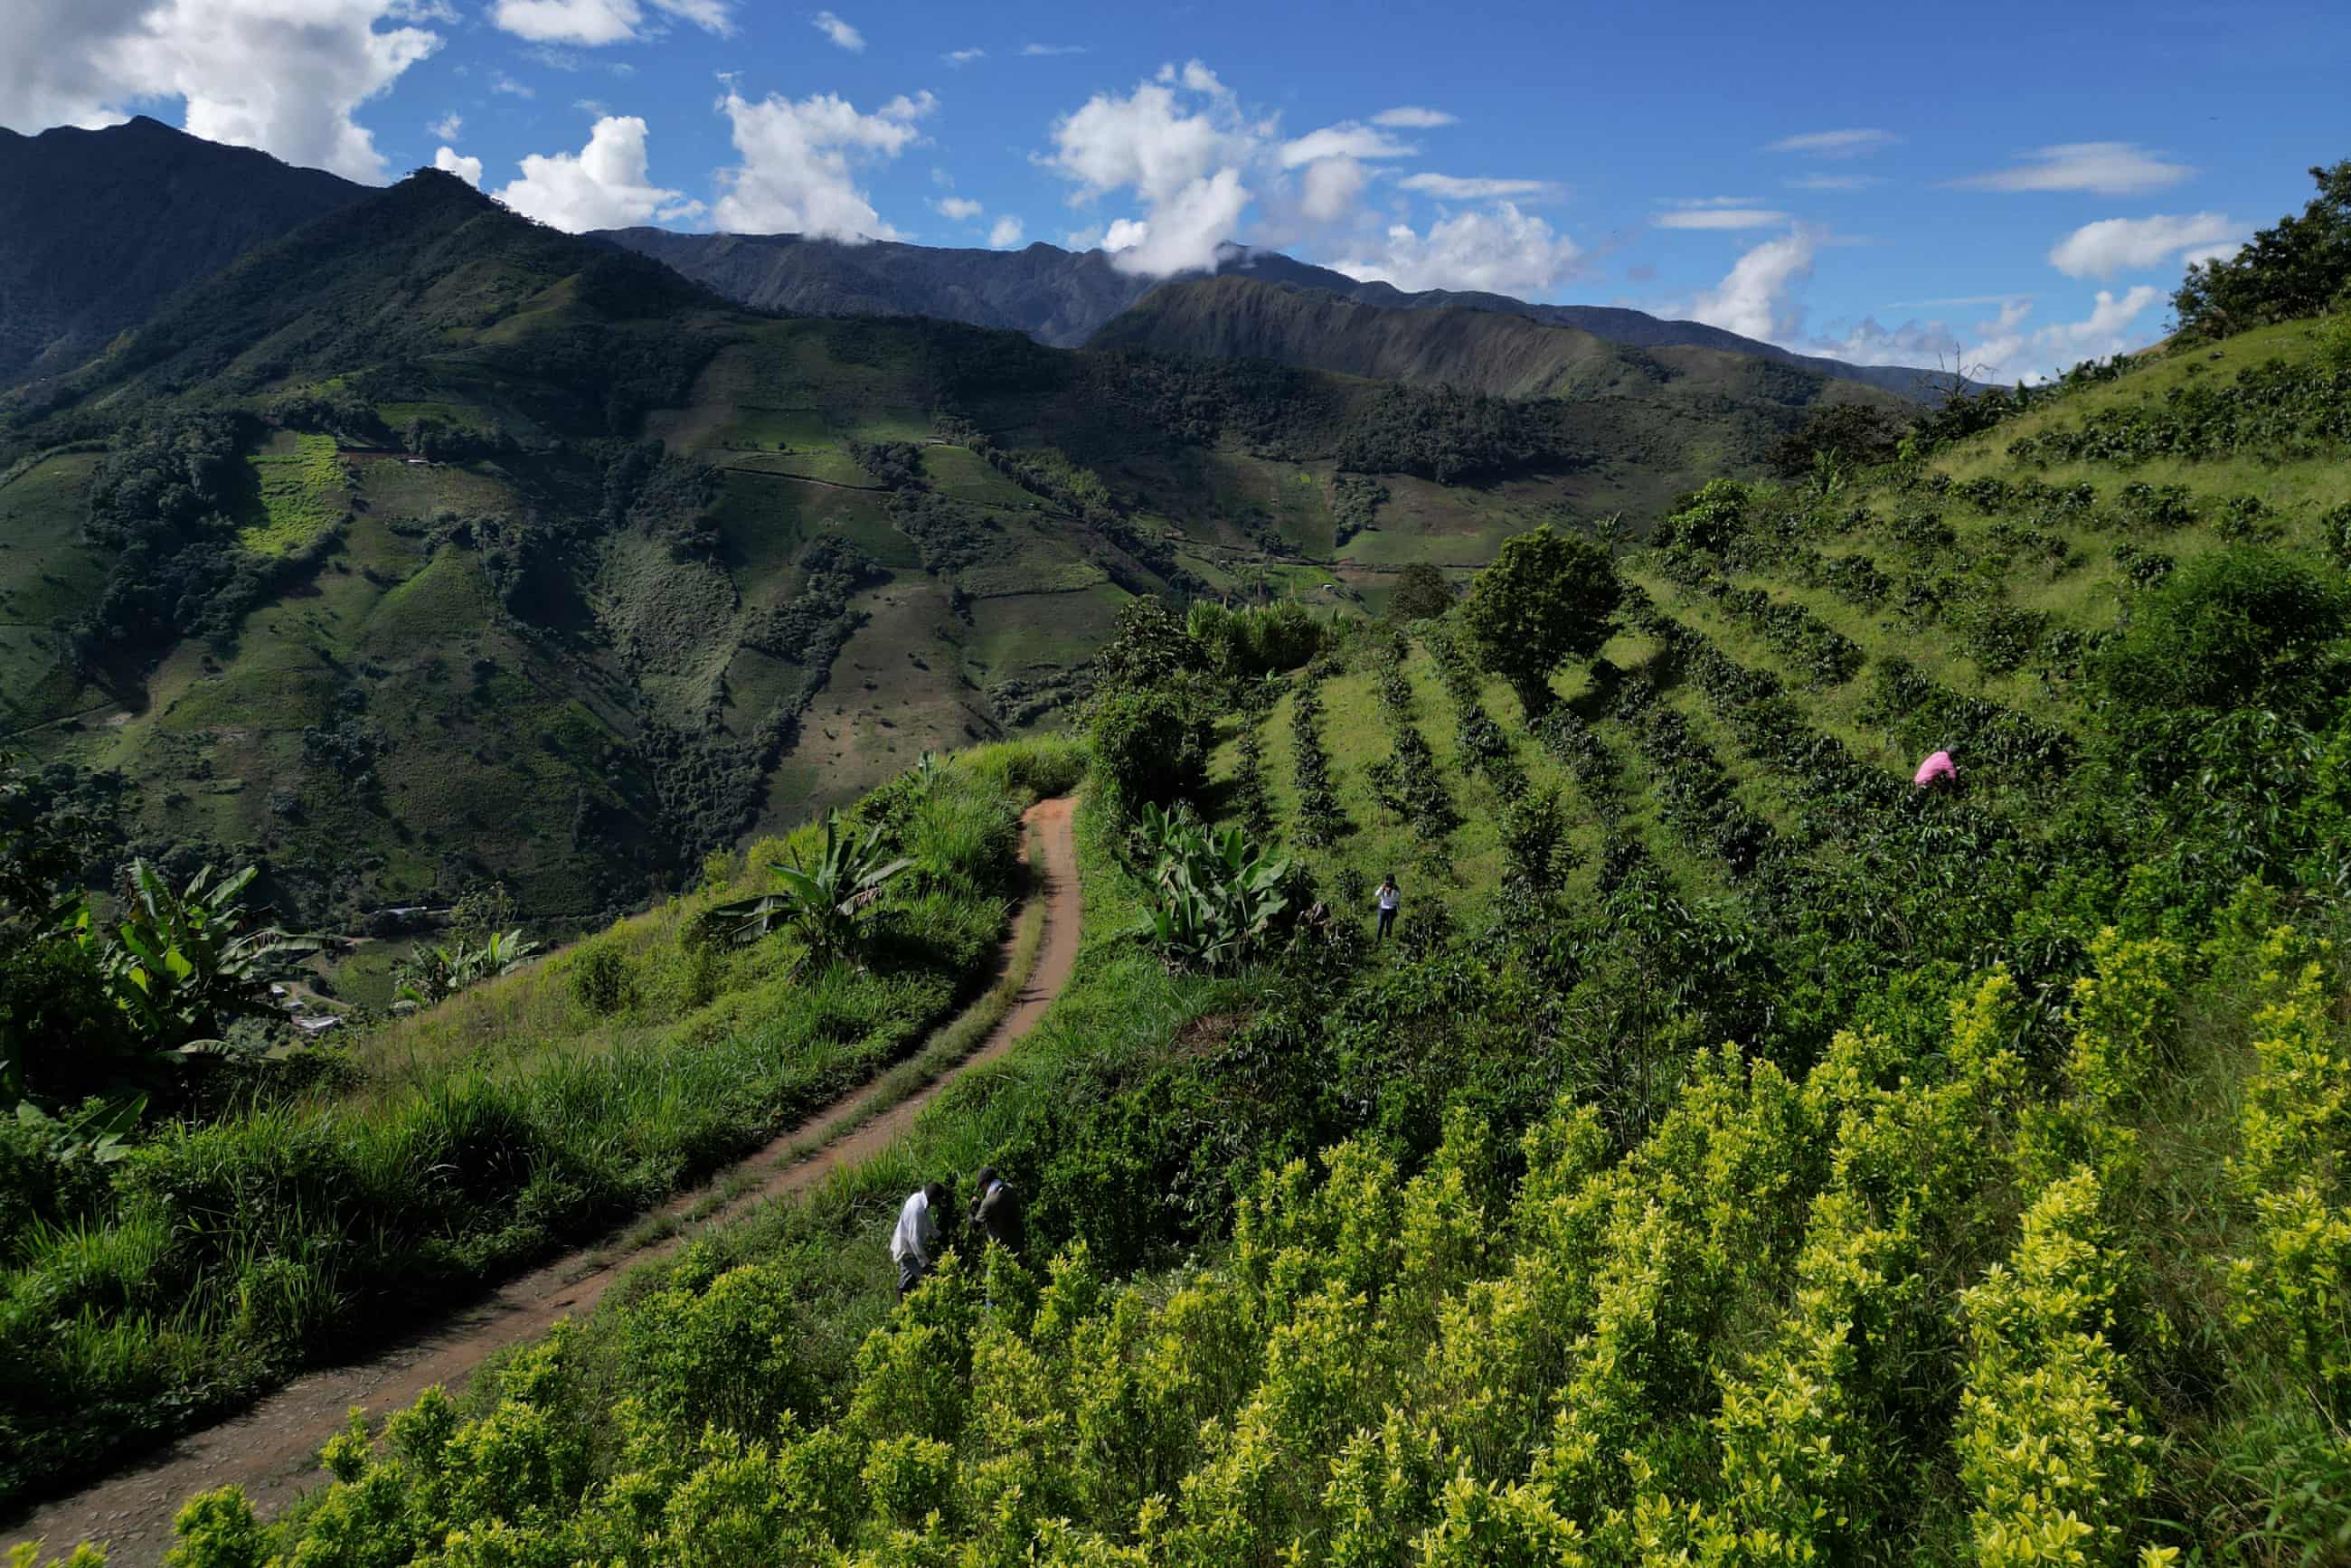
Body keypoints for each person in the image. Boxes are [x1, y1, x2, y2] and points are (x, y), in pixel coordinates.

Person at [891, 1180, 948, 1299]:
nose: (938, 1203)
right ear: (933, 1198)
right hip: (908, 1250)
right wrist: (924, 1263)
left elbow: (928, 1224)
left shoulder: (921, 1201)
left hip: (909, 1248)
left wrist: (939, 1236)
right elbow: (914, 1239)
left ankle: (903, 1306)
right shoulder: (917, 1208)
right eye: (938, 1200)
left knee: (906, 1280)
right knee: (929, 1277)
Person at [969, 1165, 1025, 1257]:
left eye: (981, 1186)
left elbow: (975, 1225)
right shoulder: (1010, 1188)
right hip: (1018, 1242)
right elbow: (998, 1209)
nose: (982, 1190)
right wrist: (981, 1206)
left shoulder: (989, 1201)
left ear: (985, 1183)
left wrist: (970, 1211)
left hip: (1002, 1249)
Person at [1375, 874, 1401, 940]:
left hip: (1391, 909)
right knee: (1380, 926)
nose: (1389, 884)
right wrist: (1382, 888)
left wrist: (1392, 891)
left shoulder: (1396, 889)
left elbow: (1397, 899)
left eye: (1390, 882)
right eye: (1387, 882)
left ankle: (1388, 940)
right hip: (1382, 909)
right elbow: (1376, 894)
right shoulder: (1383, 887)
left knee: (1389, 926)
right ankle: (1378, 940)